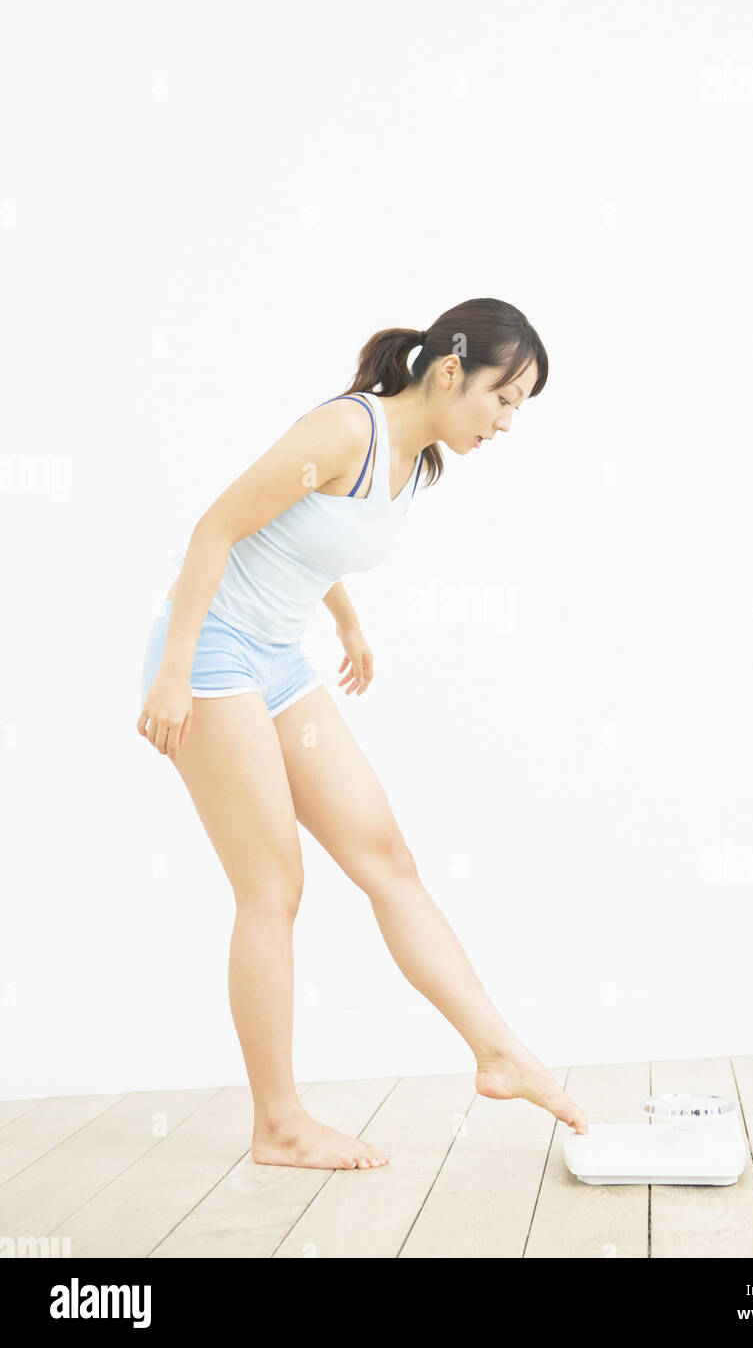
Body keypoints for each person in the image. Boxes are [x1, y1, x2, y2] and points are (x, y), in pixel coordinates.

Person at [136, 296, 590, 1171]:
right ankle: (280, 1126)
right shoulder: (348, 432)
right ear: (452, 370)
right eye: (504, 397)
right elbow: (219, 527)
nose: (506, 421)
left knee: (386, 858)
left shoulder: (421, 464)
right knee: (273, 886)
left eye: (520, 409)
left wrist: (345, 624)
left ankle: (498, 1051)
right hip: (213, 651)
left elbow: (313, 539)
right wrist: (174, 671)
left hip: (278, 657)